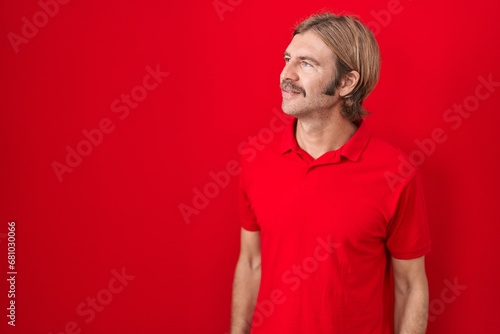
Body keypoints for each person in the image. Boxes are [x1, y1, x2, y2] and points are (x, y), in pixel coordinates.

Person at [231, 12, 431, 334]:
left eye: (306, 63)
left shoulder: (397, 174)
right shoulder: (255, 158)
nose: (287, 74)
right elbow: (251, 262)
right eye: (287, 58)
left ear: (346, 83)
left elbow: (410, 286)